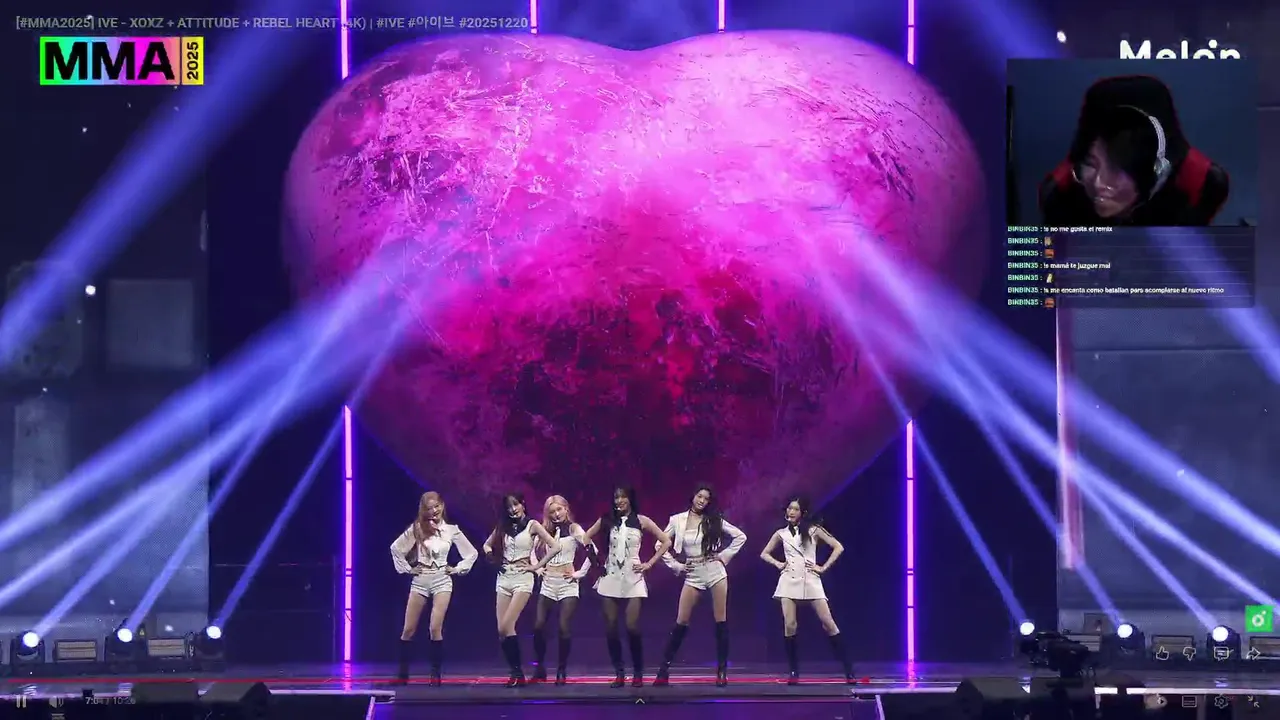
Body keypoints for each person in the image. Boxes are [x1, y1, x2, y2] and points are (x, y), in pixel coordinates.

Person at [1038, 75, 1229, 227]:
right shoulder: (1058, 195)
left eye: (1117, 165)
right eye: (1090, 163)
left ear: (1158, 167)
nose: (1098, 184)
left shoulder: (1204, 184)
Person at [577, 487, 671, 688]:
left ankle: (638, 672)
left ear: (630, 499)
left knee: (631, 626)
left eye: (623, 497)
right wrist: (595, 561)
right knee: (611, 627)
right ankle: (619, 673)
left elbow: (666, 541)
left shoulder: (642, 520)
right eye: (616, 497)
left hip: (633, 577)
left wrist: (649, 563)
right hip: (610, 576)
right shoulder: (607, 519)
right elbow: (585, 537)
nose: (619, 501)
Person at [653, 485, 747, 687]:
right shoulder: (677, 520)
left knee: (721, 621)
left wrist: (724, 556)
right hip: (693, 573)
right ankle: (663, 670)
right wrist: (676, 566)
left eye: (706, 498)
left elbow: (740, 536)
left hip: (714, 571)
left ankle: (721, 671)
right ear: (693, 496)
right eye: (699, 496)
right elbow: (659, 544)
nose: (702, 501)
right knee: (681, 622)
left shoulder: (714, 519)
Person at [758, 496, 855, 684]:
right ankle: (793, 672)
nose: (791, 512)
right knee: (790, 624)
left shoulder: (814, 530)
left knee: (828, 623)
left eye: (795, 509)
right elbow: (764, 553)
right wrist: (778, 564)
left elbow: (838, 547)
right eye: (789, 508)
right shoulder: (781, 533)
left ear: (802, 513)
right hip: (788, 580)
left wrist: (823, 567)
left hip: (811, 579)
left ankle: (848, 670)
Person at [389, 491, 478, 685]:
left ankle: (435, 675)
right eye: (429, 508)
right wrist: (408, 569)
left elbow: (471, 553)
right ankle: (403, 675)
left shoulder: (451, 530)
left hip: (442, 579)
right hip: (421, 579)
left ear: (442, 505)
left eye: (436, 506)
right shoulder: (418, 528)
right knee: (408, 629)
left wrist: (457, 569)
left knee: (435, 627)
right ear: (424, 510)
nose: (434, 511)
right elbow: (396, 548)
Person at [482, 493, 561, 687]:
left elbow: (555, 546)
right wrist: (491, 556)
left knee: (506, 625)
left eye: (515, 505)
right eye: (509, 507)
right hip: (504, 577)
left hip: (523, 578)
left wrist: (536, 566)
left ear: (523, 504)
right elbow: (486, 545)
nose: (513, 509)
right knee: (502, 631)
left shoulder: (532, 525)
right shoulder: (503, 526)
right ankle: (516, 674)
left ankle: (517, 674)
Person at [529, 495, 594, 685]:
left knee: (564, 627)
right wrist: (538, 568)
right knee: (539, 626)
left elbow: (593, 550)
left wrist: (580, 573)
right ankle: (540, 668)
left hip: (567, 584)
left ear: (566, 508)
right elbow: (531, 551)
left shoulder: (574, 528)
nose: (556, 514)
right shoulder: (544, 530)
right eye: (552, 512)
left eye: (559, 509)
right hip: (548, 582)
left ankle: (561, 669)